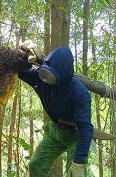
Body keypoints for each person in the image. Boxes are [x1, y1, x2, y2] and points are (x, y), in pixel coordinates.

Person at [18, 41, 94, 177]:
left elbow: (86, 128)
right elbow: (20, 71)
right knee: (36, 165)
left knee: (75, 174)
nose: (47, 79)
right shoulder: (40, 78)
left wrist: (79, 163)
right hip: (55, 130)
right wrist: (23, 53)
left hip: (76, 135)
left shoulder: (80, 93)